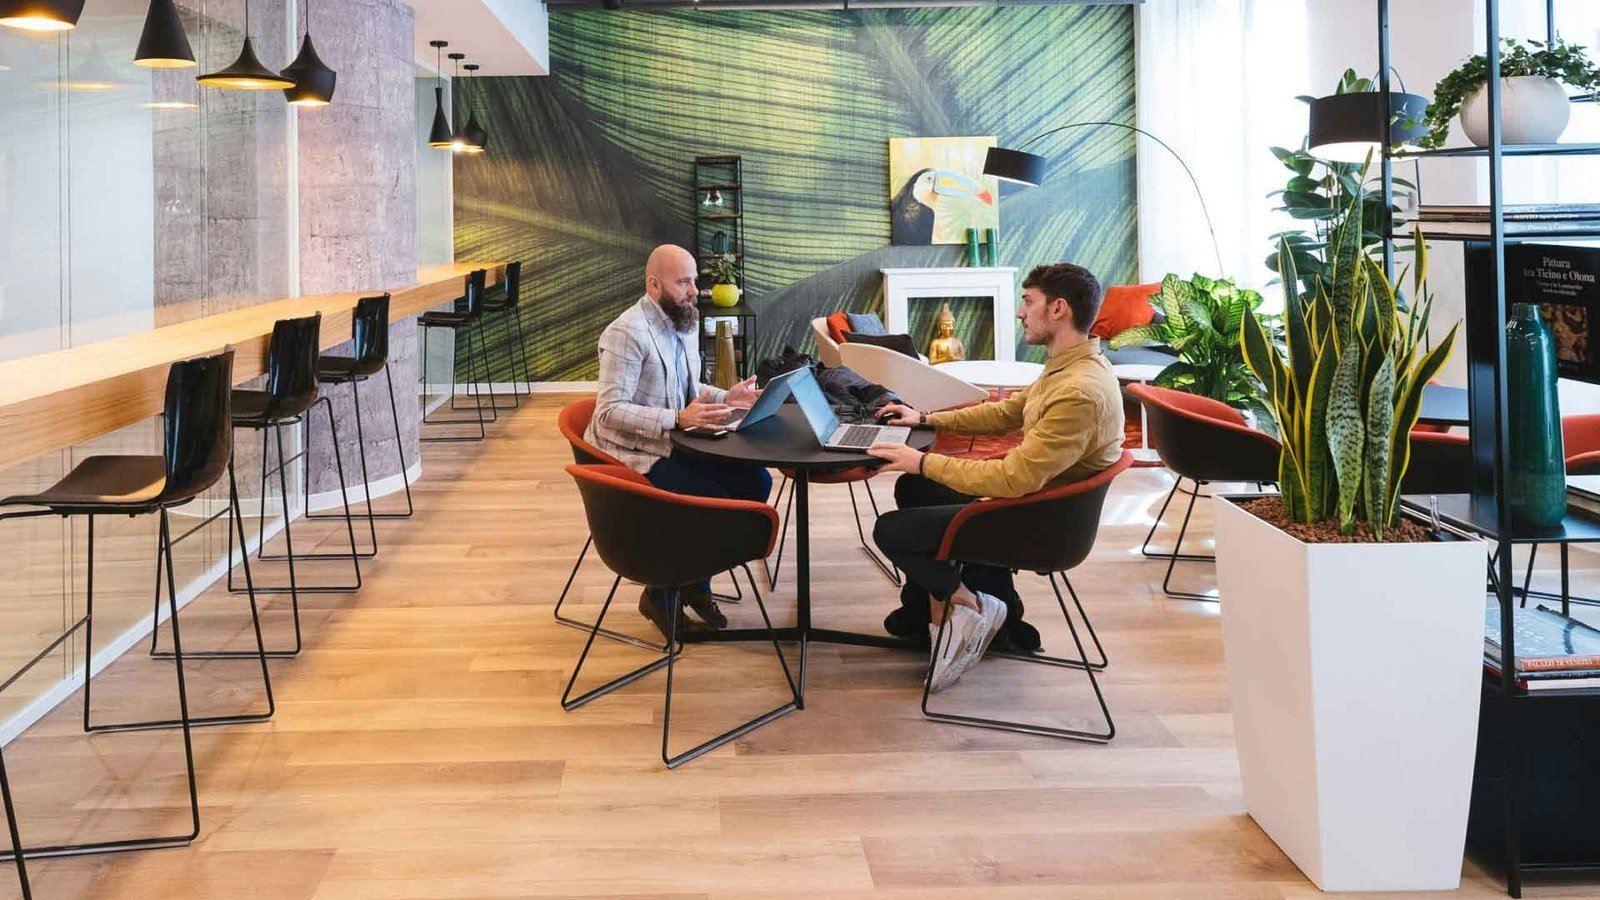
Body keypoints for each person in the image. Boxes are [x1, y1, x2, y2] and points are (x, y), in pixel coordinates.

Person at [866, 263, 1125, 691]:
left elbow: (1013, 479)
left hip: (1038, 523)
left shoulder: (1078, 391)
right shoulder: (1071, 367)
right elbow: (1007, 412)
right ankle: (937, 609)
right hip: (1036, 502)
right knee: (915, 487)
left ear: (1058, 309)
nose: (1021, 312)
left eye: (1028, 302)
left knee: (891, 530)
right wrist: (926, 418)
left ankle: (973, 605)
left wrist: (921, 460)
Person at [586, 244, 770, 637]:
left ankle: (693, 583)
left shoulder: (682, 322)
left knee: (757, 482)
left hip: (677, 440)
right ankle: (661, 595)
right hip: (632, 453)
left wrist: (727, 397)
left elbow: (687, 388)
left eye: (694, 281)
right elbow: (608, 411)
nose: (693, 291)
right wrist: (676, 418)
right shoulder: (626, 333)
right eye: (683, 282)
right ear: (654, 285)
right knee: (709, 503)